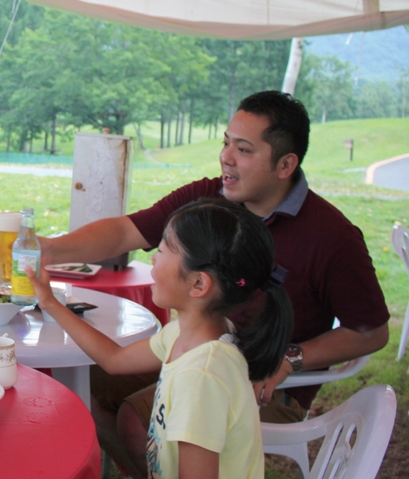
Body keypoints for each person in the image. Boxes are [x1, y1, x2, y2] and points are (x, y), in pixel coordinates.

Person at [40, 90, 389, 477]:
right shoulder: (209, 199)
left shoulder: (332, 236)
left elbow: (370, 333)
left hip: (266, 380)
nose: (225, 156)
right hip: (195, 347)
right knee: (86, 377)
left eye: (243, 149)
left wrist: (290, 358)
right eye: (226, 142)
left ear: (285, 164)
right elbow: (127, 231)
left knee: (134, 419)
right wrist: (48, 251)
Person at [29, 199, 294, 478]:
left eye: (165, 249)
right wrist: (49, 303)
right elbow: (115, 360)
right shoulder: (188, 333)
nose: (154, 257)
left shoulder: (201, 377)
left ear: (199, 284)